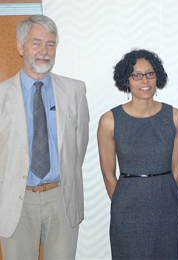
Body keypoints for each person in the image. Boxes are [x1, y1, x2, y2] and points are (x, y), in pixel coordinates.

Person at [0, 15, 89, 259]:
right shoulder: (2, 95)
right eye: (36, 43)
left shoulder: (75, 91)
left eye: (50, 44)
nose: (44, 51)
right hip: (16, 202)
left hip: (61, 198)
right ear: (21, 46)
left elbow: (79, 147)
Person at [97, 49, 178, 259]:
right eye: (136, 75)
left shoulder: (175, 117)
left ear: (158, 77)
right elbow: (108, 174)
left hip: (167, 209)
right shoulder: (109, 120)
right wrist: (124, 204)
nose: (144, 80)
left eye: (150, 73)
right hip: (127, 212)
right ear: (126, 80)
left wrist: (161, 197)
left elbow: (176, 171)